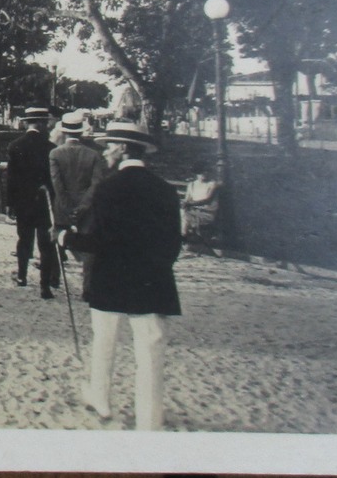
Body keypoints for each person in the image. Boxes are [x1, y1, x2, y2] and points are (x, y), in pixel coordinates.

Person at [66, 122, 182, 430]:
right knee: (151, 353)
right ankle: (150, 419)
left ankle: (101, 400)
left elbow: (98, 240)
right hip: (152, 281)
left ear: (121, 148)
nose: (105, 152)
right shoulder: (166, 190)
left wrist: (67, 240)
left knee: (104, 342)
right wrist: (154, 268)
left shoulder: (106, 188)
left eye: (109, 146)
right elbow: (173, 245)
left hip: (110, 279)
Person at [6, 106, 58, 296]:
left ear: (27, 122)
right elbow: (53, 180)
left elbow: (11, 178)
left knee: (24, 239)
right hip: (44, 202)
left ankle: (22, 275)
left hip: (23, 201)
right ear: (43, 123)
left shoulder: (15, 146)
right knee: (46, 244)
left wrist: (9, 203)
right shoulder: (51, 148)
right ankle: (45, 285)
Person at [49, 110, 107, 249]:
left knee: (59, 245)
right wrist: (83, 207)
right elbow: (96, 183)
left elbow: (57, 184)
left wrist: (67, 207)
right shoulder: (93, 155)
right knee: (85, 246)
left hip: (63, 208)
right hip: (86, 208)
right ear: (81, 132)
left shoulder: (55, 153)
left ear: (63, 132)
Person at [181, 168, 222, 246]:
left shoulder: (212, 184)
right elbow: (187, 200)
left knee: (183, 216)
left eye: (206, 171)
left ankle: (183, 237)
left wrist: (190, 204)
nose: (204, 174)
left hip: (207, 213)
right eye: (201, 172)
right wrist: (184, 203)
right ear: (197, 173)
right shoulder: (192, 185)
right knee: (181, 212)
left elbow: (207, 200)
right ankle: (183, 236)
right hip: (193, 212)